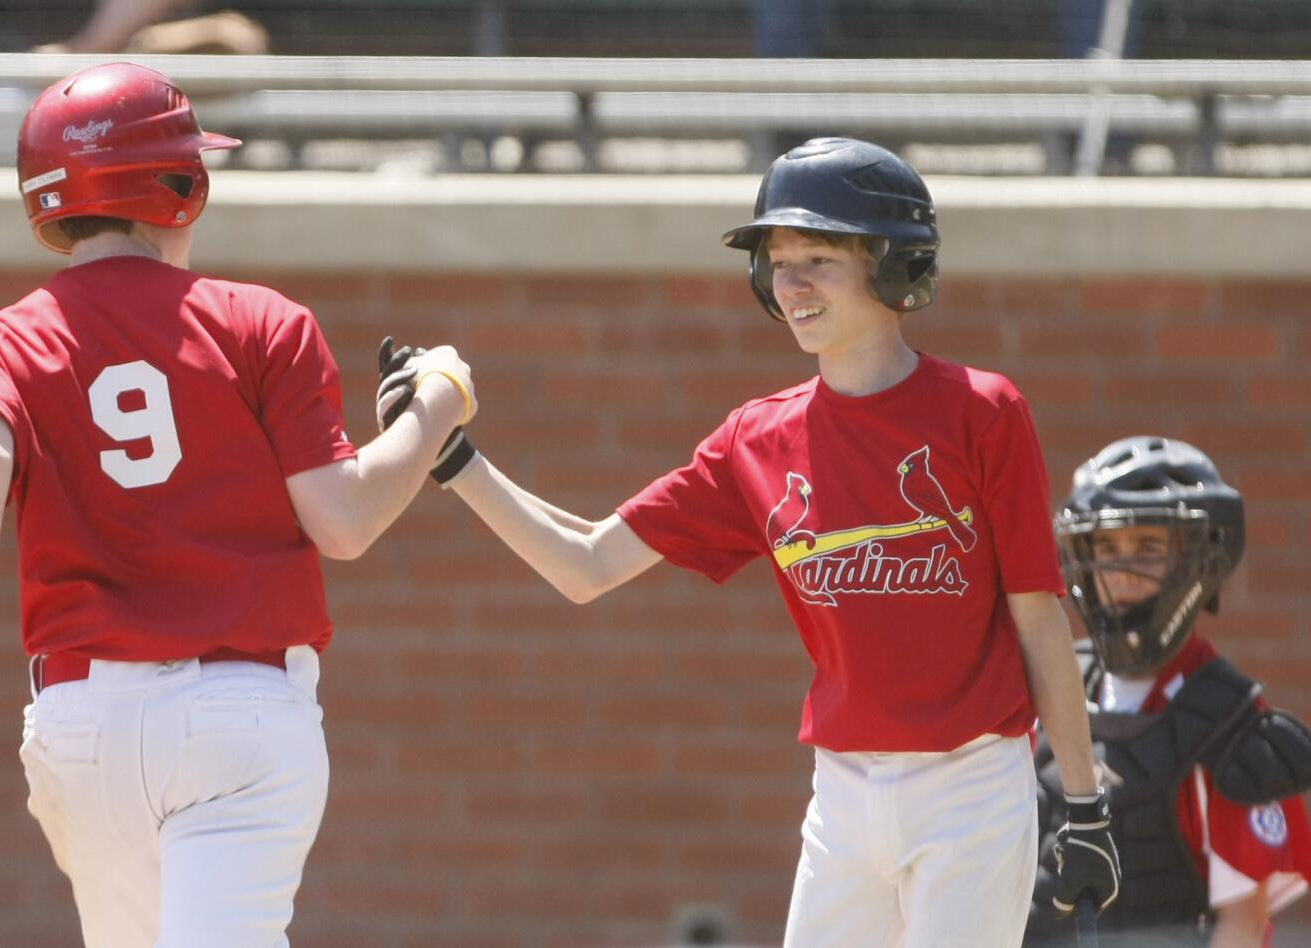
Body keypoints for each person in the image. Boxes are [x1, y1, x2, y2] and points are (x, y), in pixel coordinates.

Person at [377, 137, 1120, 947]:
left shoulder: (984, 412)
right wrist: (454, 461)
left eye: (818, 257)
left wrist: (1082, 806)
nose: (790, 283)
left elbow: (1040, 619)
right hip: (842, 791)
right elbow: (586, 562)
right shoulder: (756, 439)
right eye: (776, 260)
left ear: (893, 267)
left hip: (972, 784)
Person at [0, 62, 475, 948]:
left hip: (79, 726)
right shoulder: (259, 321)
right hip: (237, 719)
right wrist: (437, 402)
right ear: (177, 186)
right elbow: (345, 521)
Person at [1026, 436, 1311, 947]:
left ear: (1198, 562)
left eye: (1148, 549)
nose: (1122, 572)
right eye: (1108, 549)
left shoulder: (1224, 722)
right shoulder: (1053, 681)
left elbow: (1242, 926)